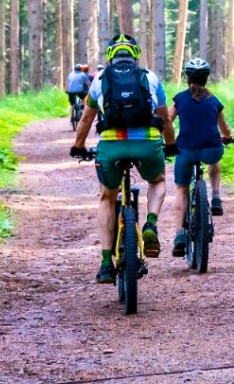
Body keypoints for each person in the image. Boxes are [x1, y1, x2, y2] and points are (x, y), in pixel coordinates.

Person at [70, 34, 177, 284]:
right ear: (135, 55)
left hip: (112, 147)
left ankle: (106, 263)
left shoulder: (99, 80)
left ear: (110, 57)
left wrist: (78, 147)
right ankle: (150, 224)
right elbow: (166, 118)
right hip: (147, 145)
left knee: (107, 196)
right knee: (158, 180)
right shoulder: (150, 78)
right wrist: (170, 145)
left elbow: (86, 119)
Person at [167, 58, 234, 257]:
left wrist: (167, 142)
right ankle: (215, 196)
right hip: (211, 149)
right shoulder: (214, 100)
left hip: (186, 150)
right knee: (215, 159)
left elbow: (168, 121)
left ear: (187, 78)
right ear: (207, 78)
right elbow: (224, 128)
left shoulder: (180, 99)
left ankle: (180, 234)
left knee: (181, 189)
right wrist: (228, 138)